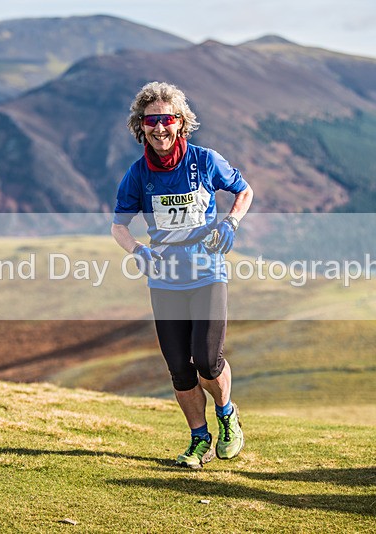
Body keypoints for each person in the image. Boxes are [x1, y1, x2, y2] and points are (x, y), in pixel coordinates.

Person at [112, 81, 254, 468]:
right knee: (179, 368)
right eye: (151, 120)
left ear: (181, 123)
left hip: (208, 275)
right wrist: (137, 251)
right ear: (140, 126)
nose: (159, 128)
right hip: (164, 280)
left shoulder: (206, 161)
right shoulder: (138, 174)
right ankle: (199, 438)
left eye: (166, 119)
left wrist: (231, 223)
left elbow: (244, 191)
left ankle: (227, 416)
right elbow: (118, 226)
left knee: (207, 361)